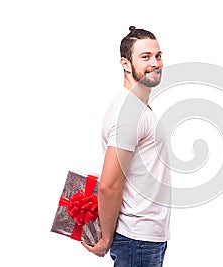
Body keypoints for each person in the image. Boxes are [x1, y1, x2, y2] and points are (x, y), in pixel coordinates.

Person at [82, 26, 171, 267]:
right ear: (125, 63)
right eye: (145, 57)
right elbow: (109, 185)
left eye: (158, 55)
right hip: (136, 238)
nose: (155, 63)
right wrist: (106, 238)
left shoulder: (139, 107)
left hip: (146, 237)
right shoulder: (129, 113)